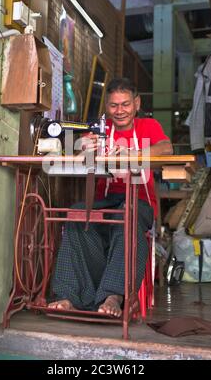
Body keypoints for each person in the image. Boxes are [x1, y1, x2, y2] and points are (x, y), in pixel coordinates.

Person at [49, 78, 173, 317]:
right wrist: (81, 146)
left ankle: (113, 296)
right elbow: (72, 151)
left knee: (127, 215)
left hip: (140, 202)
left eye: (125, 104)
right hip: (105, 201)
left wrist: (134, 153)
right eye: (114, 105)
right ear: (106, 106)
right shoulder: (100, 129)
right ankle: (67, 295)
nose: (120, 111)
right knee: (76, 214)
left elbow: (166, 149)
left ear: (137, 103)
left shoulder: (148, 126)